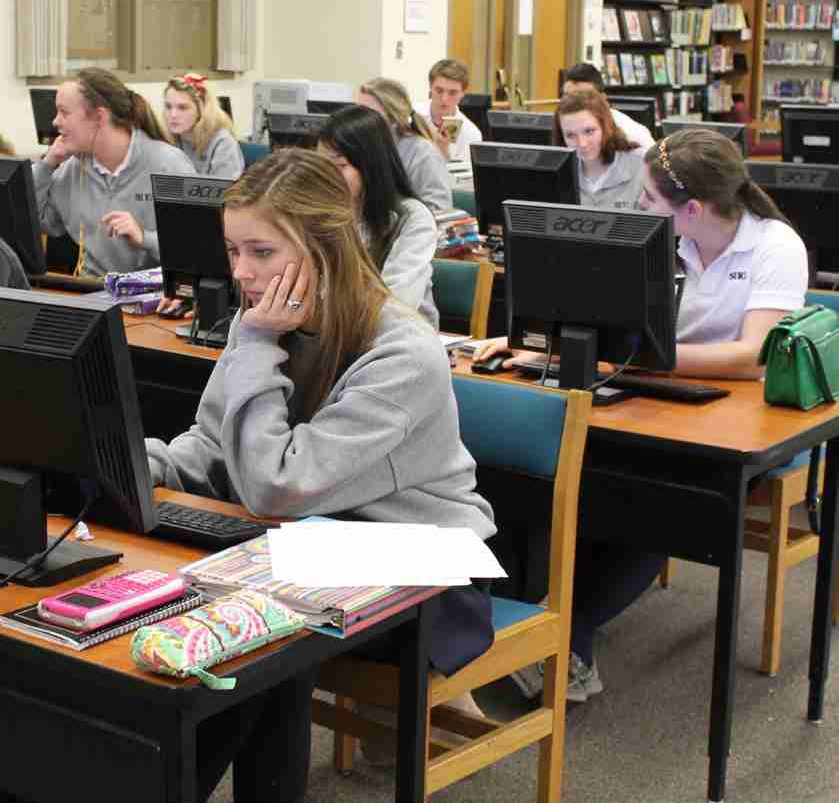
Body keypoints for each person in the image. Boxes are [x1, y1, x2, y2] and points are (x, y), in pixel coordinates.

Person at [145, 148, 495, 803]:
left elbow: (276, 487)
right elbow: (213, 444)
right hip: (304, 548)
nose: (241, 273)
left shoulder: (403, 351)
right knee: (221, 620)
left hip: (423, 570)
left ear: (325, 249)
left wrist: (254, 345)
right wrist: (129, 461)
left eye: (262, 252)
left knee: (255, 639)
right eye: (234, 250)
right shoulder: (265, 319)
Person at [473, 128, 808, 701]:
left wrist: (640, 362)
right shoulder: (662, 238)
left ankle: (567, 636)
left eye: (650, 198)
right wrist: (533, 347)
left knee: (654, 501)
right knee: (557, 477)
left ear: (693, 209)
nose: (640, 206)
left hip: (741, 418)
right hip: (659, 396)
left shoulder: (776, 246)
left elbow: (754, 355)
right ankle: (534, 623)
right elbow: (603, 317)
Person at [31, 68, 195, 278]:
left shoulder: (168, 164)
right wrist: (47, 164)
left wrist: (144, 238)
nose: (55, 122)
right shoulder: (73, 167)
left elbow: (195, 248)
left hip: (153, 292)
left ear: (99, 116)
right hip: (92, 290)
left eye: (64, 112)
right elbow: (41, 222)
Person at [316, 104, 439, 328]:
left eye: (340, 166)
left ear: (369, 164)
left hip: (400, 337)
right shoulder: (322, 214)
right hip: (336, 333)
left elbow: (397, 304)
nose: (327, 176)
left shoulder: (412, 218)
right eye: (322, 166)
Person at [358, 77, 453, 214]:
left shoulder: (421, 151)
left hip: (410, 225)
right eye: (358, 112)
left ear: (393, 117)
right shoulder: (361, 147)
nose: (359, 120)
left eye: (368, 114)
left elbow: (440, 209)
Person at [557, 90, 645, 209]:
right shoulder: (559, 173)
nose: (582, 144)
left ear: (605, 126)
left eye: (589, 131)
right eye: (570, 135)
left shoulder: (641, 166)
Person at [164, 73, 244, 179]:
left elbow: (227, 188)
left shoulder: (223, 143)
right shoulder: (167, 138)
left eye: (182, 108)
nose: (173, 115)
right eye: (168, 107)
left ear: (202, 109)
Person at [559, 63, 655, 150]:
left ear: (603, 99)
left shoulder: (632, 135)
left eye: (583, 98)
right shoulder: (562, 124)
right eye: (568, 97)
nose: (573, 105)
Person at [416, 58, 483, 161]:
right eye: (439, 90)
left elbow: (463, 172)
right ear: (430, 87)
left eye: (452, 93)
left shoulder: (471, 134)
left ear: (463, 93)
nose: (444, 99)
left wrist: (444, 152)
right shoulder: (412, 116)